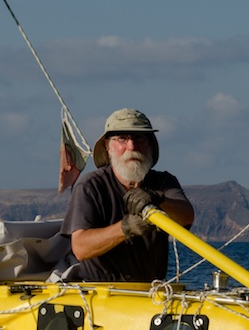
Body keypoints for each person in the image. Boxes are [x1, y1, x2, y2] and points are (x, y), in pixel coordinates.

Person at [61, 108, 194, 282]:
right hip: (101, 294)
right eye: (122, 138)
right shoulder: (90, 186)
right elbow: (80, 247)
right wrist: (126, 228)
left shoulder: (164, 182)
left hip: (152, 293)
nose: (132, 147)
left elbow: (187, 216)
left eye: (139, 138)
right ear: (108, 147)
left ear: (150, 145)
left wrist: (159, 199)